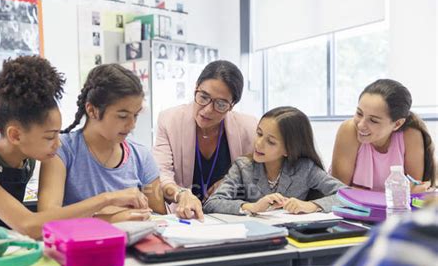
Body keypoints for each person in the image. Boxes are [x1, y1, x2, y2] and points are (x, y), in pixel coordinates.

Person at [0, 56, 146, 238]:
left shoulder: (27, 161)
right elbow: (29, 226)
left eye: (57, 134)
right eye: (50, 137)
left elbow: (44, 221)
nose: (58, 143)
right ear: (15, 135)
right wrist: (108, 198)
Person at [38, 63, 166, 222]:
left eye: (136, 115)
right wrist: (110, 214)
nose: (132, 125)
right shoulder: (60, 150)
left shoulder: (141, 156)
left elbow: (159, 215)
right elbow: (47, 218)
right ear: (92, 110)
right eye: (122, 116)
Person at [153, 60, 258, 220]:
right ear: (196, 88)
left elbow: (259, 170)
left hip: (230, 216)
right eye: (203, 97)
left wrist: (231, 180)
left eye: (221, 104)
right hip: (185, 216)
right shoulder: (170, 120)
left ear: (232, 105)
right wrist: (180, 194)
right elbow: (161, 174)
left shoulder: (248, 127)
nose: (208, 110)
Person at [204, 106, 346, 215]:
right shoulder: (243, 167)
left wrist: (312, 206)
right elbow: (212, 203)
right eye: (259, 133)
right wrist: (252, 207)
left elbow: (349, 196)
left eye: (271, 142)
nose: (258, 144)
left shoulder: (305, 169)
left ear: (288, 149)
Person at [301, 197, 438, 266]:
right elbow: (346, 193)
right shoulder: (416, 239)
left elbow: (338, 189)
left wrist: (314, 204)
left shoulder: (307, 169)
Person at [331, 79, 435, 192]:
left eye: (373, 120)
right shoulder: (349, 130)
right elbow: (340, 191)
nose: (361, 125)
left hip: (394, 208)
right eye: (359, 113)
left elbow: (414, 189)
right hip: (355, 208)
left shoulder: (411, 135)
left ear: (397, 124)